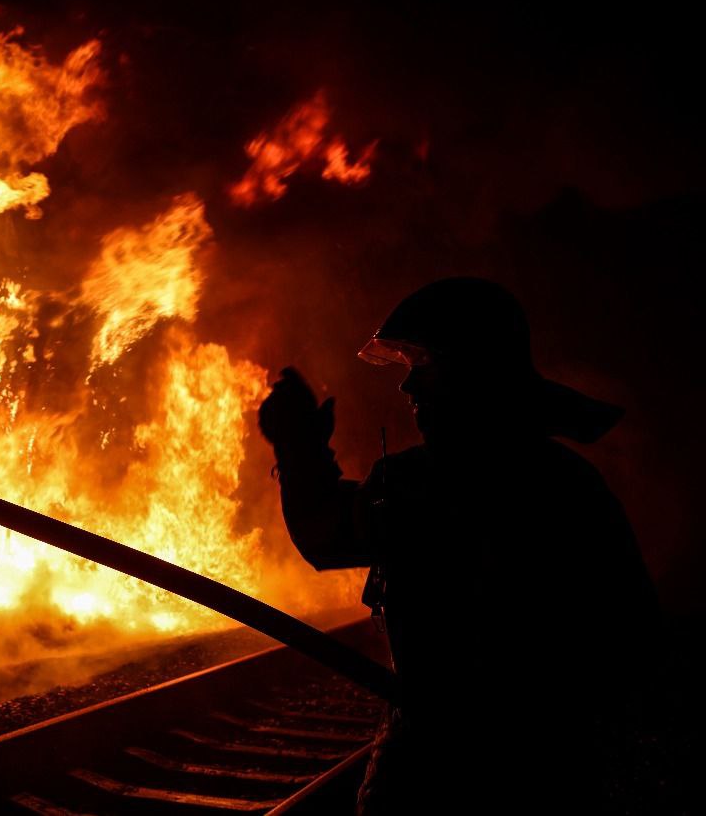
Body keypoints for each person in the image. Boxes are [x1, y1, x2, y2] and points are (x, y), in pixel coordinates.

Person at [258, 278, 660, 814]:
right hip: (553, 773)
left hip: (434, 774)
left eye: (422, 364)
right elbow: (635, 637)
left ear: (473, 371)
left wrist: (299, 449)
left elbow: (325, 535)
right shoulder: (572, 482)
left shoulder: (416, 485)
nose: (408, 387)